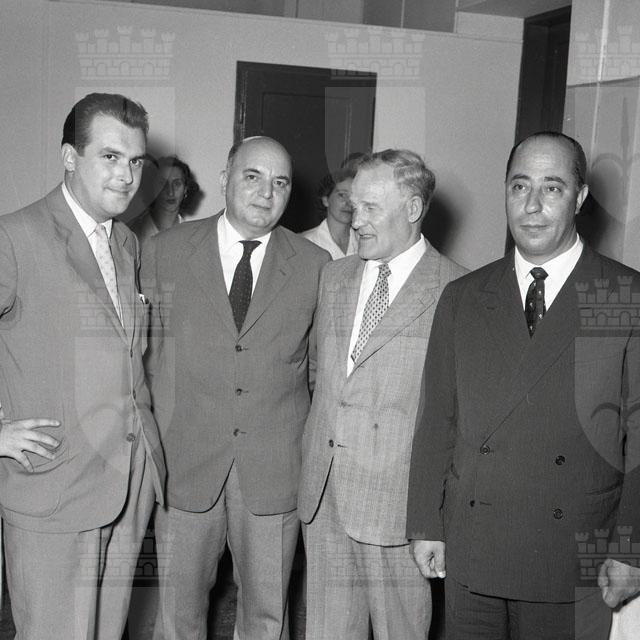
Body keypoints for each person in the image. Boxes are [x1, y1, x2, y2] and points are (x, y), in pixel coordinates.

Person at [406, 131, 640, 639]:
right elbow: (437, 420)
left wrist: (631, 549)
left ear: (580, 197)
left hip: (572, 552)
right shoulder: (464, 297)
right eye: (519, 186)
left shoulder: (624, 296)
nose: (532, 206)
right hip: (473, 546)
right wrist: (426, 522)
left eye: (552, 188)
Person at [141, 136, 330, 639]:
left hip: (273, 471)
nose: (267, 193)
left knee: (268, 616)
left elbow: (318, 372)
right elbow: (144, 359)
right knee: (176, 616)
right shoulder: (164, 252)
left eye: (280, 182)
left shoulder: (315, 266)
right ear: (225, 180)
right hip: (184, 466)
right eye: (253, 177)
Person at [0, 92, 165, 639]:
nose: (127, 176)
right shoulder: (15, 237)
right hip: (53, 488)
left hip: (127, 483)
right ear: (70, 157)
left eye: (136, 160)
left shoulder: (126, 243)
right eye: (110, 157)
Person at [297, 148, 467, 640]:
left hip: (398, 509)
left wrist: (434, 521)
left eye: (371, 208)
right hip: (324, 495)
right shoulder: (334, 276)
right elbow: (319, 373)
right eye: (354, 206)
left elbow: (458, 418)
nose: (356, 220)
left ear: (413, 208)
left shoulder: (457, 290)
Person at [130, 155, 199, 242]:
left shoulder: (193, 235)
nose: (170, 192)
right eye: (163, 183)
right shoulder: (132, 234)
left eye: (177, 184)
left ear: (185, 189)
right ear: (152, 189)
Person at [300, 162, 359, 259]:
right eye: (342, 195)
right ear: (326, 200)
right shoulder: (305, 242)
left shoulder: (363, 241)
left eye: (353, 196)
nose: (348, 202)